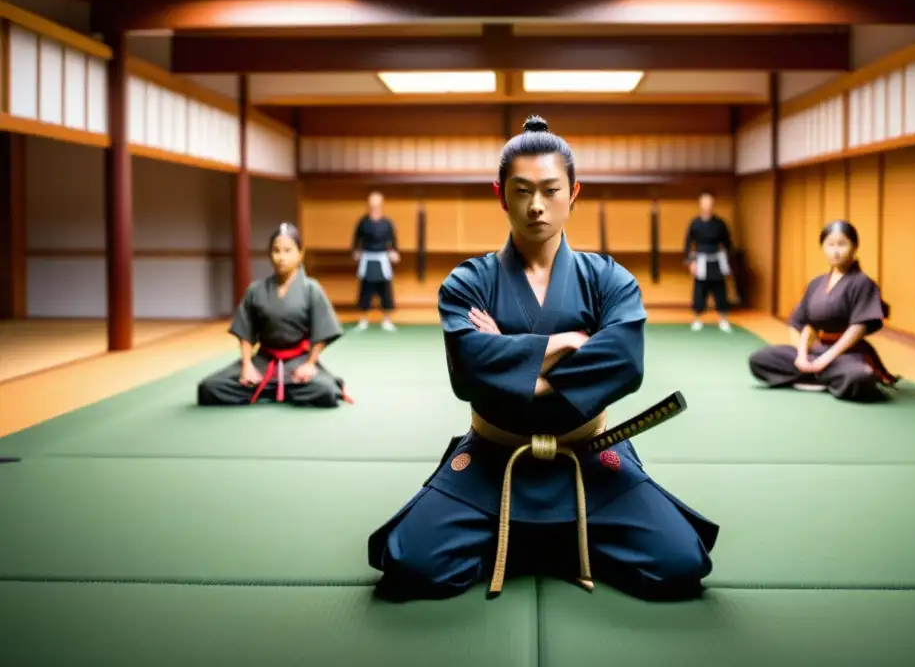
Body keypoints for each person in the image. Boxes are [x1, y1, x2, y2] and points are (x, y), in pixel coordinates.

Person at [367, 116, 718, 602]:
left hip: (588, 457)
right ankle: (560, 540)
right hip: (494, 457)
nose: (536, 206)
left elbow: (624, 363)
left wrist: (512, 362)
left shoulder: (608, 278)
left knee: (680, 564)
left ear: (574, 192)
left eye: (551, 190)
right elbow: (469, 371)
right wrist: (567, 343)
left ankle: (528, 540)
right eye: (522, 190)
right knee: (410, 565)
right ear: (500, 193)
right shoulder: (468, 282)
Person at [196, 222, 350, 408]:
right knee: (208, 388)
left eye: (288, 250)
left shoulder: (312, 289)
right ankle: (279, 388)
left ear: (300, 254)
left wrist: (310, 363)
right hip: (263, 361)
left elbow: (323, 330)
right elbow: (245, 331)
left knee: (325, 391)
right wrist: (247, 365)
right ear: (270, 254)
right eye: (276, 251)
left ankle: (270, 388)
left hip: (297, 362)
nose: (281, 257)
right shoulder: (256, 290)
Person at [748, 220, 900, 402]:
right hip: (816, 351)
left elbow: (858, 328)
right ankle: (824, 378)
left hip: (846, 354)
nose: (835, 251)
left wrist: (825, 359)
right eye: (830, 245)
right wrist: (802, 356)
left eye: (842, 244)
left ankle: (818, 377)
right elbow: (806, 324)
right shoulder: (816, 283)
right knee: (760, 359)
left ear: (855, 247)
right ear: (823, 248)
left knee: (861, 377)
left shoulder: (862, 283)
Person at [684, 192, 733, 332]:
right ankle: (697, 318)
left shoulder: (720, 224)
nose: (707, 206)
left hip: (717, 259)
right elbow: (688, 243)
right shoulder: (695, 223)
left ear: (713, 205)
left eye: (710, 203)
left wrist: (727, 262)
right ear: (700, 205)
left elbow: (728, 243)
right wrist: (691, 262)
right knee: (699, 290)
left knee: (720, 289)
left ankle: (723, 319)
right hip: (701, 260)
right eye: (704, 203)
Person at [352, 191, 400, 331]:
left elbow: (393, 239)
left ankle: (386, 320)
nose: (374, 207)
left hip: (383, 258)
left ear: (381, 205)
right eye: (372, 204)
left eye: (377, 204)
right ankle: (363, 320)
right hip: (367, 257)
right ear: (368, 205)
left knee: (385, 290)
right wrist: (356, 250)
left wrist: (394, 251)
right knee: (365, 289)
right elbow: (356, 239)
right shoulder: (363, 222)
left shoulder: (387, 223)